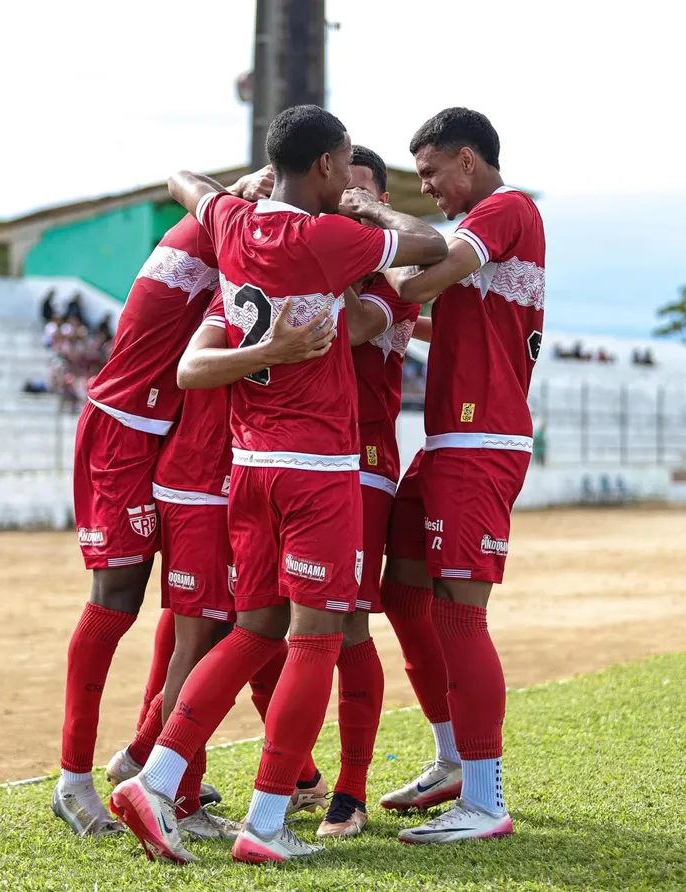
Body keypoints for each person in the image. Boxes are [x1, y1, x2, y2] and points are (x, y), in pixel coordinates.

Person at [109, 104, 447, 865]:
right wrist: (371, 210)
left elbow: (183, 182)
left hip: (248, 466)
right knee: (316, 640)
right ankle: (265, 824)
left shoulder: (232, 220)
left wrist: (238, 188)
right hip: (316, 470)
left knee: (257, 630)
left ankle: (157, 777)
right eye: (345, 169)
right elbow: (432, 243)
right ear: (327, 166)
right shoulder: (327, 236)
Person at [51, 168, 274, 838]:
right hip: (123, 430)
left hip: (164, 439)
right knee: (116, 604)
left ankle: (158, 769)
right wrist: (243, 188)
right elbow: (183, 180)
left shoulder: (229, 232)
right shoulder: (225, 227)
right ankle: (72, 781)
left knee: (188, 612)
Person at [380, 107, 545, 844]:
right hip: (450, 438)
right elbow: (441, 315)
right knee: (400, 588)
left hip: (481, 440)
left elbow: (421, 286)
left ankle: (484, 801)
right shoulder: (493, 232)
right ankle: (451, 760)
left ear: (468, 162)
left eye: (430, 174)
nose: (429, 190)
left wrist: (373, 228)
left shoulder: (505, 208)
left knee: (458, 612)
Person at [312, 145, 420, 839]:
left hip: (361, 463)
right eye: (337, 196)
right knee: (259, 617)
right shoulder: (302, 258)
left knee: (344, 622)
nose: (344, 209)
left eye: (360, 199)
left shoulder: (391, 280)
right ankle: (289, 775)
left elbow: (350, 328)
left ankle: (349, 791)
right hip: (285, 459)